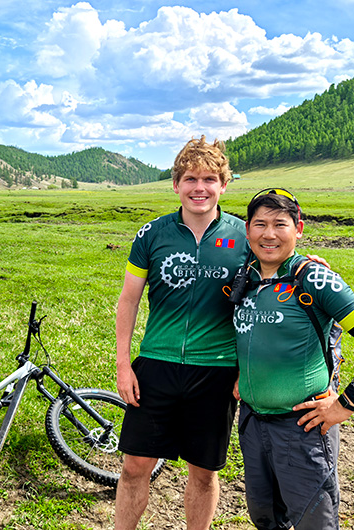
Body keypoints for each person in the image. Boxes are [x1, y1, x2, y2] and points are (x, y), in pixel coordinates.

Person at [232, 189, 354, 530]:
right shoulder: (244, 277)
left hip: (302, 430)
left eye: (280, 224)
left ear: (299, 229)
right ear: (247, 229)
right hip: (252, 424)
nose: (269, 234)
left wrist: (347, 404)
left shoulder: (315, 278)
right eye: (260, 224)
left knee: (314, 524)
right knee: (265, 519)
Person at [114, 136, 249, 530]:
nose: (200, 188)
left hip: (217, 369)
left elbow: (280, 268)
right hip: (156, 365)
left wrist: (309, 265)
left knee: (203, 472)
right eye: (190, 178)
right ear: (176, 185)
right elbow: (128, 301)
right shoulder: (152, 234)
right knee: (135, 466)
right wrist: (124, 364)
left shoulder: (244, 237)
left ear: (224, 185)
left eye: (210, 179)